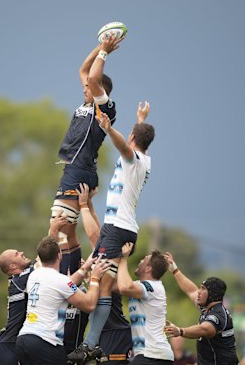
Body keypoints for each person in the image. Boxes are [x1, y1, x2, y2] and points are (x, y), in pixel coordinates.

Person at [68, 101, 155, 364]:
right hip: (120, 228)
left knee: (103, 285)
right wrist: (140, 119)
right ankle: (91, 344)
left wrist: (107, 128)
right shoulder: (146, 158)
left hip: (119, 229)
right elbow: (134, 141)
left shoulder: (134, 158)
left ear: (131, 138)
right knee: (106, 285)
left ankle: (90, 344)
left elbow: (124, 147)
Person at [51, 34, 123, 274]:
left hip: (79, 171)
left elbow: (92, 77)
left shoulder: (105, 108)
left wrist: (105, 53)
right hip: (75, 169)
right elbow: (84, 69)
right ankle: (71, 275)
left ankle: (90, 270)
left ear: (101, 90)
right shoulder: (85, 104)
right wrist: (100, 46)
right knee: (68, 235)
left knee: (56, 229)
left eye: (89, 88)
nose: (85, 88)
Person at [15, 237, 109, 365]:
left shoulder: (34, 276)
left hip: (23, 340)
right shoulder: (60, 281)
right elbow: (89, 304)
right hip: (46, 342)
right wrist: (95, 278)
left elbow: (64, 285)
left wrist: (85, 267)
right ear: (59, 256)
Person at [163, 252, 239, 365]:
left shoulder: (218, 314)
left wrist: (180, 331)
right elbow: (191, 290)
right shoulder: (206, 307)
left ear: (212, 294)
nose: (199, 292)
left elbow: (204, 330)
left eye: (203, 289)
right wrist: (175, 270)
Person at [113, 242, 173, 364]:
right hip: (151, 355)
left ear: (148, 268)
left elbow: (124, 287)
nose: (140, 261)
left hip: (154, 355)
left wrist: (124, 258)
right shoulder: (141, 286)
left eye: (143, 260)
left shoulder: (152, 286)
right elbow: (114, 286)